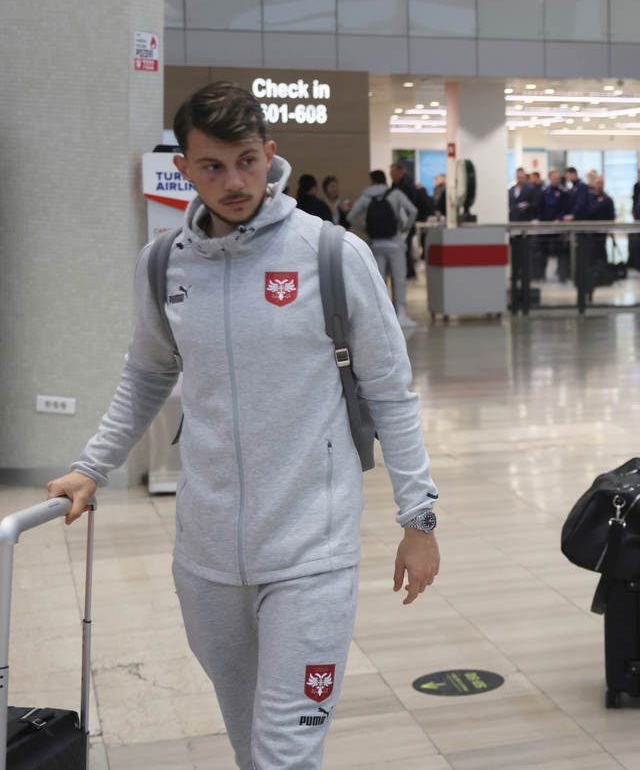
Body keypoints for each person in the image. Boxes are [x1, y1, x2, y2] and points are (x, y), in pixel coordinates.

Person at [44, 81, 440, 770]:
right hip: (206, 555)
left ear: (270, 155)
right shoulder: (165, 264)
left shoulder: (330, 255)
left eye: (248, 161)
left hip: (313, 549)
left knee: (286, 751)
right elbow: (146, 374)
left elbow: (390, 393)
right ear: (185, 167)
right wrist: (91, 465)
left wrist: (420, 518)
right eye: (213, 166)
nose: (234, 181)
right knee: (252, 747)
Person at [350, 169, 419, 328]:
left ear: (372, 181)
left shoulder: (366, 195)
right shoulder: (395, 193)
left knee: (379, 281)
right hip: (394, 242)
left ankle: (382, 316)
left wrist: (365, 230)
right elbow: (413, 211)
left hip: (376, 244)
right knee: (399, 278)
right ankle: (401, 315)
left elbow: (351, 216)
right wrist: (406, 228)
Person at [537, 168, 567, 281]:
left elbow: (565, 207)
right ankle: (541, 274)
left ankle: (561, 274)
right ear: (550, 179)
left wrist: (559, 219)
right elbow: (541, 207)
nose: (556, 180)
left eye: (558, 178)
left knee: (560, 251)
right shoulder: (545, 191)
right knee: (543, 251)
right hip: (546, 226)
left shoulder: (563, 192)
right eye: (554, 178)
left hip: (558, 226)